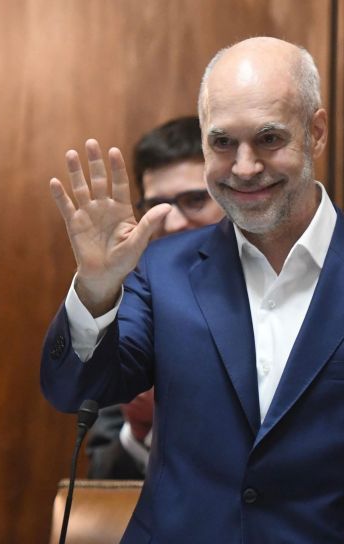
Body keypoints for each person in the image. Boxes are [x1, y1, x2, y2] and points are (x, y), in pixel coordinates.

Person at [41, 37, 344, 544]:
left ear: (316, 132)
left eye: (269, 138)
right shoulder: (162, 272)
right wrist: (95, 286)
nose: (245, 167)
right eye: (223, 142)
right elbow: (75, 390)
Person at [86, 115, 224, 480]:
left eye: (195, 200)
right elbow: (102, 477)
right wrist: (140, 431)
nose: (174, 222)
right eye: (158, 206)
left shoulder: (283, 294)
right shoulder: (129, 309)